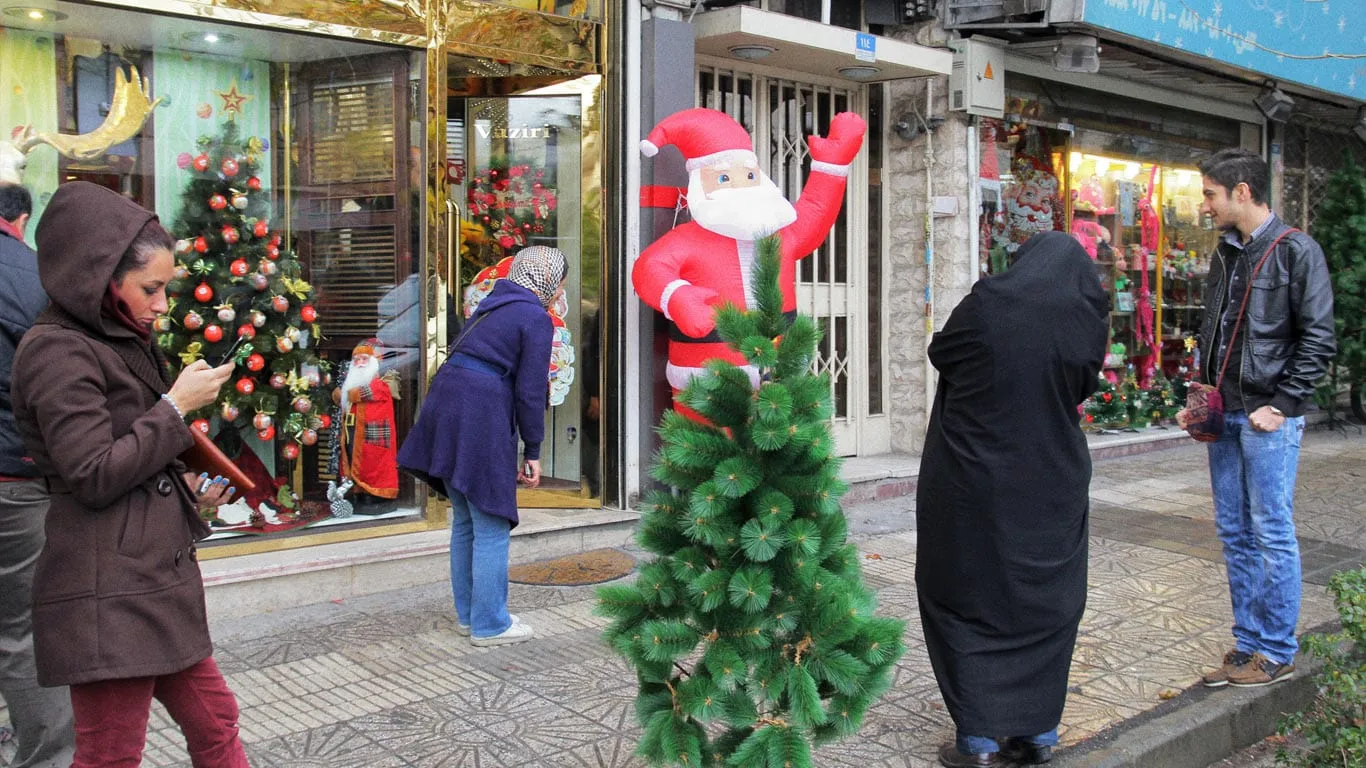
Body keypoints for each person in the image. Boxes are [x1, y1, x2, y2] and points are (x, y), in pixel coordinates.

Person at [10, 181, 248, 767]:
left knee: (217, 723)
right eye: (152, 288)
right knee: (111, 754)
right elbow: (91, 473)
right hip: (106, 589)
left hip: (148, 581)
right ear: (100, 277)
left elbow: (128, 447)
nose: (163, 304)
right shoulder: (56, 351)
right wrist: (174, 408)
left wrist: (184, 477)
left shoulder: (117, 337)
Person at [917, 232, 1108, 768]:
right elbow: (1082, 384)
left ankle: (977, 741)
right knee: (1047, 600)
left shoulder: (989, 302)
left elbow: (942, 352)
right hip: (1052, 478)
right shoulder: (1087, 316)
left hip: (973, 480)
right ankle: (1038, 734)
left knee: (963, 592)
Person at [1176, 148, 1335, 689]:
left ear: (1242, 191)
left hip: (1268, 417)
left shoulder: (1297, 251)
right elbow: (1218, 331)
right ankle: (1246, 645)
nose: (1205, 204)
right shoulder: (1226, 253)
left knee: (1271, 531)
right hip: (1227, 415)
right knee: (1234, 532)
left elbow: (1318, 339)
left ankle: (1276, 648)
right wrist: (1200, 395)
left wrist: (1283, 404)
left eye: (1210, 194)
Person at [632, 107, 863, 419]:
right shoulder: (687, 239)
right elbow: (649, 268)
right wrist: (677, 296)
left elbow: (814, 214)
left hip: (779, 370)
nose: (742, 186)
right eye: (725, 178)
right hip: (708, 374)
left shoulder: (779, 234)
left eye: (750, 176)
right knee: (708, 453)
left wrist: (831, 167)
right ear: (701, 186)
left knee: (781, 449)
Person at [397, 245, 564, 647]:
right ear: (549, 281)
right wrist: (534, 451)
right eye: (560, 283)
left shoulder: (491, 306)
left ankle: (470, 616)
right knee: (490, 523)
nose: (561, 291)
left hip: (448, 405)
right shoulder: (535, 317)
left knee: (466, 522)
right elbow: (529, 391)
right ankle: (491, 624)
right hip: (480, 412)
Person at [0, 183, 75, 768]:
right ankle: (46, 759)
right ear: (21, 221)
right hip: (14, 476)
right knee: (25, 628)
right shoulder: (35, 278)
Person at [334, 338, 401, 505]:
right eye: (356, 360)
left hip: (372, 433)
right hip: (353, 430)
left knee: (373, 464)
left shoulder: (380, 383)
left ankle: (376, 494)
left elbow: (362, 393)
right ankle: (357, 490)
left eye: (364, 359)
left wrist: (344, 394)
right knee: (352, 459)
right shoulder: (351, 382)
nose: (359, 363)